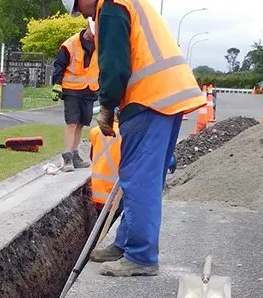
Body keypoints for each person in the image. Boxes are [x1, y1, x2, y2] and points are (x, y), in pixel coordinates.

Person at [63, 0, 205, 277]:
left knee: (139, 178)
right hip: (164, 98)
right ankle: (127, 243)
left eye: (77, 5)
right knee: (140, 175)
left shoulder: (112, 7)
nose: (81, 12)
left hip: (149, 99)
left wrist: (106, 106)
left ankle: (141, 255)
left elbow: (115, 65)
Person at [51, 20, 99, 172]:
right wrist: (57, 85)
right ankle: (67, 156)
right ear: (87, 28)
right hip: (72, 89)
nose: (94, 36)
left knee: (81, 123)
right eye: (93, 33)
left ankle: (75, 154)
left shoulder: (101, 45)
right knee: (72, 122)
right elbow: (59, 65)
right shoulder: (70, 44)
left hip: (90, 89)